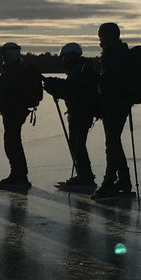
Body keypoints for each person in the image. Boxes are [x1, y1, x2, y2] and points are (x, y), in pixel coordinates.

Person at [42, 42, 98, 192]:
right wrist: (56, 88)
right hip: (79, 111)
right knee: (76, 144)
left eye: (64, 57)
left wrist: (56, 85)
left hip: (81, 112)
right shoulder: (79, 69)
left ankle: (86, 178)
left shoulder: (79, 70)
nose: (63, 60)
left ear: (71, 56)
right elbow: (71, 90)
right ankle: (83, 175)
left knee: (77, 144)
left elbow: (74, 88)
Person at [0, 41, 43, 191]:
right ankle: (18, 175)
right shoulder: (13, 69)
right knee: (12, 142)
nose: (3, 58)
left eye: (5, 55)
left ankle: (19, 176)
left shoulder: (16, 71)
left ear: (11, 55)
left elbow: (14, 91)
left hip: (15, 111)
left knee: (12, 143)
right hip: (13, 110)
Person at [94, 22, 134, 198]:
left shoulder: (113, 55)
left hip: (114, 104)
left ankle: (110, 181)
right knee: (113, 142)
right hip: (120, 103)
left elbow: (110, 82)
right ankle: (123, 180)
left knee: (111, 143)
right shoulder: (121, 53)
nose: (100, 41)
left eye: (101, 37)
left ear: (110, 37)